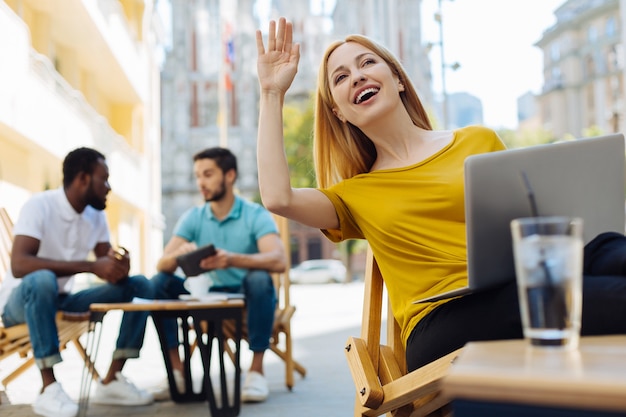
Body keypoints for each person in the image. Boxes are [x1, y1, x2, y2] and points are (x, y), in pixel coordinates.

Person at [255, 18, 626, 372]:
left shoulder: (477, 141)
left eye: (367, 62)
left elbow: (531, 221)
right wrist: (271, 93)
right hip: (442, 324)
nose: (358, 76)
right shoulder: (352, 195)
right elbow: (278, 198)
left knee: (610, 248)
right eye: (341, 77)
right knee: (605, 297)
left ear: (398, 79)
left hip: (516, 286)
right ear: (338, 112)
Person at [0, 147, 155, 417]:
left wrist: (119, 266)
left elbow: (105, 264)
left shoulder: (96, 216)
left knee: (140, 285)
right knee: (42, 280)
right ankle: (48, 387)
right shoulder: (40, 205)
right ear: (83, 179)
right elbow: (19, 264)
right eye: (103, 179)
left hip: (62, 299)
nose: (108, 187)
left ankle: (112, 380)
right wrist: (91, 266)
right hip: (20, 304)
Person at [151, 147, 286, 403]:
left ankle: (256, 372)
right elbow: (162, 263)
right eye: (197, 175)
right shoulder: (194, 216)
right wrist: (180, 255)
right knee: (159, 283)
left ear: (230, 175)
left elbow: (279, 260)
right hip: (208, 295)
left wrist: (232, 259)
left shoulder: (254, 214)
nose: (201, 182)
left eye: (208, 174)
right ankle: (176, 371)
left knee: (259, 278)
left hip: (247, 295)